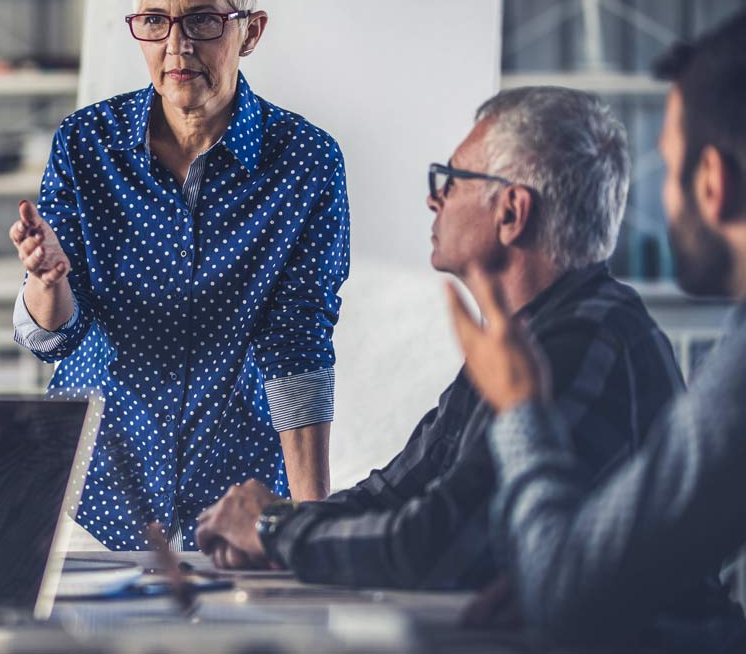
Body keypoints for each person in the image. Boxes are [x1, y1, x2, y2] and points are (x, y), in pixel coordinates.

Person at [192, 87, 708, 598]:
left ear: (511, 212)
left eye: (452, 179)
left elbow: (434, 546)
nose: (433, 198)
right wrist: (277, 530)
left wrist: (275, 532)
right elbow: (396, 493)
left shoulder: (580, 343)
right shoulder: (526, 335)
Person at [8, 0, 349, 550]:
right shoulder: (87, 144)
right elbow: (55, 337)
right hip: (90, 496)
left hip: (235, 501)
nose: (177, 47)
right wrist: (45, 279)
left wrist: (313, 527)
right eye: (155, 22)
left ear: (251, 31)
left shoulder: (306, 162)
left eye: (203, 22)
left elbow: (299, 342)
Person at [449, 13, 746, 649]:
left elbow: (569, 595)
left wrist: (520, 405)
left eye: (667, 171)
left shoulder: (597, 336)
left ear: (713, 183)